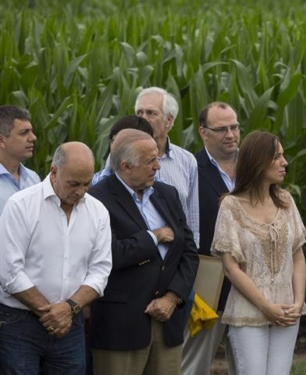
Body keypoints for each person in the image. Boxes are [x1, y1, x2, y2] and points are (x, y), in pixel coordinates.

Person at [87, 129, 199, 375]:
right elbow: (109, 255)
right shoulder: (96, 199)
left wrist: (172, 297)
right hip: (121, 327)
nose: (158, 166)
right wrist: (154, 237)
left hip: (167, 321)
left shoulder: (166, 194)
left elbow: (188, 251)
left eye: (157, 158)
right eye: (150, 161)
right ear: (126, 166)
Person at [0, 142, 112, 374]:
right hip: (20, 323)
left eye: (87, 183)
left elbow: (100, 270)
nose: (81, 191)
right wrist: (52, 314)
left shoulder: (98, 211)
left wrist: (69, 308)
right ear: (54, 172)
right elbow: (9, 271)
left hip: (71, 324)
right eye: (74, 184)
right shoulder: (21, 206)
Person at [211, 130, 306, 375]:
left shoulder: (285, 201)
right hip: (248, 311)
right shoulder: (230, 206)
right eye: (277, 157)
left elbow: (297, 255)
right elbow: (230, 268)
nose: (284, 163)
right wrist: (266, 306)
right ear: (257, 161)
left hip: (287, 310)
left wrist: (297, 302)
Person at [181, 102, 240, 374]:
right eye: (221, 129)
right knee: (194, 363)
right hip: (208, 284)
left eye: (234, 127)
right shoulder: (191, 168)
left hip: (251, 283)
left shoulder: (254, 166)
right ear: (203, 133)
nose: (230, 134)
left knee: (248, 365)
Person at [135, 87, 200, 247]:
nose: (143, 119)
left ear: (169, 120)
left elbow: (192, 219)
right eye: (139, 113)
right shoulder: (121, 159)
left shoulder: (187, 161)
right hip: (138, 254)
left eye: (151, 113)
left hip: (177, 255)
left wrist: (191, 256)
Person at [92, 115, 155, 185]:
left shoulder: (161, 191)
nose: (116, 147)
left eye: (123, 143)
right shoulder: (92, 185)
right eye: (114, 141)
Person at [0, 105, 40, 212]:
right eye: (24, 133)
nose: (33, 138)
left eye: (31, 131)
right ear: (1, 140)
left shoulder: (34, 179)